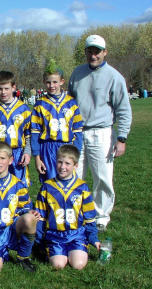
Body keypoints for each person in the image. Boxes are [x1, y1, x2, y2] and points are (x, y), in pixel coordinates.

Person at [68, 34, 132, 231]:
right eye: (90, 51)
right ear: (85, 52)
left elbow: (123, 109)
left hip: (101, 132)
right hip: (78, 132)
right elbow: (68, 103)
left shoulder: (114, 76)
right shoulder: (77, 73)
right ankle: (75, 212)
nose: (93, 55)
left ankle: (101, 215)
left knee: (102, 176)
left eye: (97, 51)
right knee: (73, 174)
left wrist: (121, 138)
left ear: (104, 52)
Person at [0, 142, 40, 273]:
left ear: (10, 160)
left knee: (30, 218)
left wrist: (30, 212)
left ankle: (24, 257)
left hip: (11, 229)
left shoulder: (18, 184)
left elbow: (24, 208)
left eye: (2, 158)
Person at [35, 145, 100, 270]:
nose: (62, 167)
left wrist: (94, 238)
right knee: (58, 265)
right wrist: (39, 240)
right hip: (54, 235)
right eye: (59, 162)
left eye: (67, 163)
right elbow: (41, 216)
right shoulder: (47, 186)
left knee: (78, 265)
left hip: (76, 234)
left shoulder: (82, 187)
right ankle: (54, 251)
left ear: (76, 166)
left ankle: (77, 249)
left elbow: (90, 216)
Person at [31, 59, 83, 183]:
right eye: (48, 82)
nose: (52, 85)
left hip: (67, 146)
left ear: (62, 82)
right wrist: (37, 158)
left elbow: (78, 130)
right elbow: (35, 132)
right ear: (44, 82)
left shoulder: (71, 103)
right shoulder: (40, 104)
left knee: (68, 181)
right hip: (48, 147)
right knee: (50, 181)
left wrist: (77, 152)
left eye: (55, 82)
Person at [0, 71, 32, 187]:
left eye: (6, 88)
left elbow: (29, 135)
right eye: (0, 89)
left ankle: (22, 205)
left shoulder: (23, 108)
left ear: (13, 87)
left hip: (17, 154)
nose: (3, 92)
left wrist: (27, 153)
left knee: (20, 187)